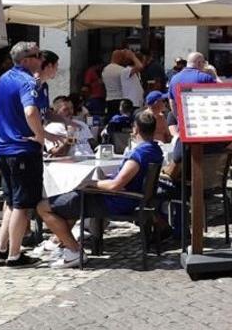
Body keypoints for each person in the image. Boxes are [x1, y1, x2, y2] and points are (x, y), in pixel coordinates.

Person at [37, 111, 163, 267]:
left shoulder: (139, 154)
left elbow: (115, 185)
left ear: (135, 129)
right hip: (126, 199)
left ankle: (74, 251)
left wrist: (90, 184)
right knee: (68, 205)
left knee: (43, 207)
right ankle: (65, 245)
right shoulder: (155, 150)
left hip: (114, 201)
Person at [0, 41, 68, 268]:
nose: (40, 58)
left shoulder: (3, 79)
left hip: (3, 149)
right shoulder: (28, 82)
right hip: (22, 150)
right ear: (26, 60)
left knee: (11, 202)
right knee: (22, 205)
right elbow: (30, 111)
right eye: (36, 55)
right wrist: (40, 136)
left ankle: (1, 248)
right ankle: (15, 255)